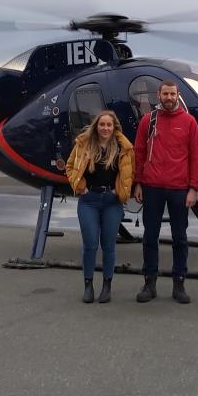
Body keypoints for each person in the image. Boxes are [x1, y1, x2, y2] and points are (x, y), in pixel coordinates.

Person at [133, 81, 198, 304]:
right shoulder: (148, 120)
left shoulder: (189, 122)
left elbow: (196, 156)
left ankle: (179, 282)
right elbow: (139, 152)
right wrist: (138, 183)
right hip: (152, 187)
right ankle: (149, 282)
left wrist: (193, 188)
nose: (169, 97)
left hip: (179, 189)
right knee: (149, 237)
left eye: (173, 93)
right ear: (159, 95)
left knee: (180, 238)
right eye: (166, 93)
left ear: (178, 95)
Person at [66, 110, 134, 304]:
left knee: (109, 245)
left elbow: (131, 172)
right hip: (89, 201)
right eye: (102, 124)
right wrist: (81, 188)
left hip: (112, 202)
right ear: (96, 126)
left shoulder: (123, 148)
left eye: (109, 125)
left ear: (114, 128)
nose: (105, 128)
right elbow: (70, 167)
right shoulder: (84, 144)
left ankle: (107, 285)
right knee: (90, 244)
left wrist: (120, 191)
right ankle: (88, 285)